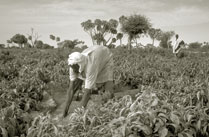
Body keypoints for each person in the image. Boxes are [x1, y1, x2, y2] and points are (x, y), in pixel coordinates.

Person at [62, 45, 114, 117]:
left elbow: (87, 92)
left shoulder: (91, 66)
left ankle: (111, 108)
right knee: (78, 82)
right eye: (73, 68)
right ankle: (101, 95)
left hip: (105, 56)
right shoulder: (73, 65)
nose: (74, 70)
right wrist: (64, 113)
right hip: (95, 55)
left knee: (107, 81)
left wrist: (77, 115)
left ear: (80, 65)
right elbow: (71, 89)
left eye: (76, 68)